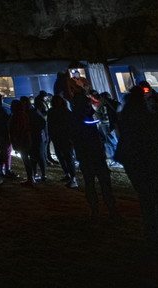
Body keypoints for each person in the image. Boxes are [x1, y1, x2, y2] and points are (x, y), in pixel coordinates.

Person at [115, 88, 158, 247]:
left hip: (133, 161)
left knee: (146, 198)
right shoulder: (145, 116)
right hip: (150, 160)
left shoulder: (126, 115)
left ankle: (152, 232)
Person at [68, 77, 118, 219]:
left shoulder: (76, 119)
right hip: (94, 152)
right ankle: (111, 210)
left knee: (90, 183)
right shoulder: (86, 119)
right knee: (103, 183)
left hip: (85, 154)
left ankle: (95, 211)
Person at [48, 95, 77, 187]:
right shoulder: (54, 111)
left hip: (64, 138)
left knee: (67, 157)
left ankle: (73, 178)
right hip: (59, 137)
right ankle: (68, 174)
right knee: (62, 156)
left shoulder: (64, 111)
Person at [8, 99, 34, 186]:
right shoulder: (24, 114)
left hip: (21, 141)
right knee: (27, 159)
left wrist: (15, 140)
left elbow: (16, 130)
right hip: (26, 139)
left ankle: (30, 179)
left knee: (26, 159)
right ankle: (31, 177)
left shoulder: (16, 116)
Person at [0, 92, 16, 178]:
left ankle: (2, 169)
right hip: (3, 133)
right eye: (1, 99)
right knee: (7, 152)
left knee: (3, 152)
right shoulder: (1, 110)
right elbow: (5, 121)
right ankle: (7, 170)